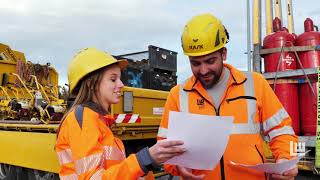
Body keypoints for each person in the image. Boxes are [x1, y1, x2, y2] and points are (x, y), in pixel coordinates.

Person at [157, 13, 298, 180]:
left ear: (223, 53)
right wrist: (177, 166)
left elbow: (283, 131)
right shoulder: (178, 95)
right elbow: (164, 148)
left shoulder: (255, 84)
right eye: (195, 63)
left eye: (210, 61)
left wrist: (286, 158)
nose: (203, 71)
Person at [55, 48, 186, 179]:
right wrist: (143, 159)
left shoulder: (98, 120)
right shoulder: (84, 119)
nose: (121, 84)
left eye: (120, 79)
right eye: (113, 79)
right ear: (91, 84)